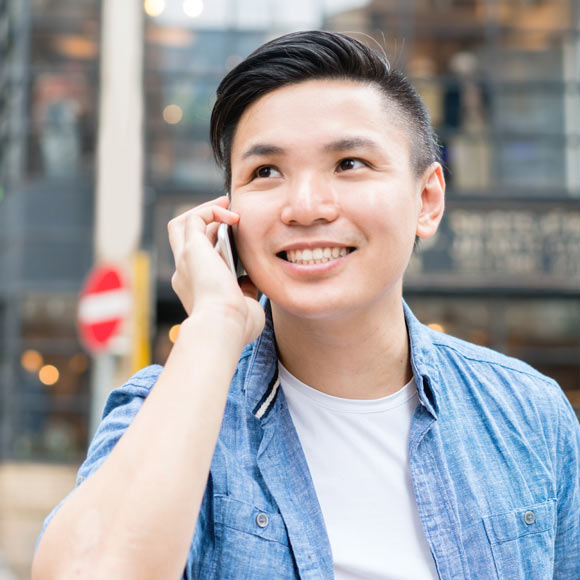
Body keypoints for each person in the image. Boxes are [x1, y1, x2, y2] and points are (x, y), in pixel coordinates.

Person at [32, 30, 579, 580]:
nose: (305, 206)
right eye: (265, 172)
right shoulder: (165, 409)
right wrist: (215, 323)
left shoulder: (528, 415)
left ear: (427, 200)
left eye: (349, 163)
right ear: (227, 215)